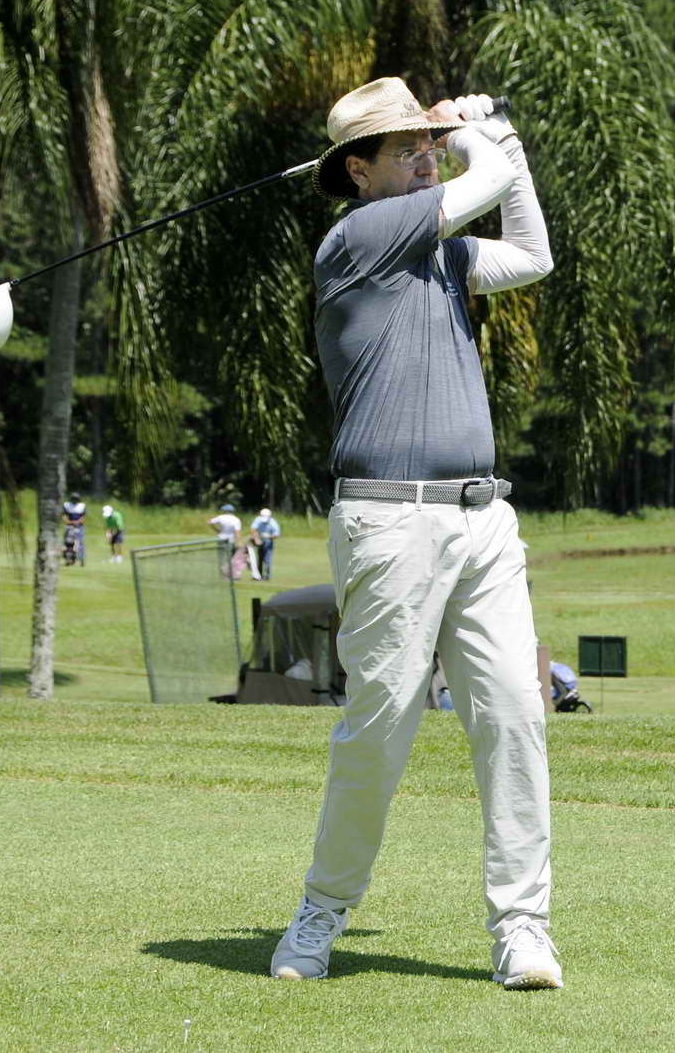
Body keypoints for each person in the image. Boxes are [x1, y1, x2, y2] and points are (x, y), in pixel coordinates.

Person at [269, 79, 556, 990]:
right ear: (359, 172)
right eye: (407, 149)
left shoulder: (440, 255)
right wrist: (478, 132)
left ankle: (523, 928)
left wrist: (501, 142)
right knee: (380, 726)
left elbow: (533, 254)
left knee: (514, 711)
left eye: (427, 146)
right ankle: (322, 911)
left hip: (484, 519)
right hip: (390, 520)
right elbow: (482, 182)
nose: (426, 158)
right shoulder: (359, 238)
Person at [251, 507, 281, 580]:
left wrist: (268, 536)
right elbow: (253, 529)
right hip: (259, 541)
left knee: (267, 559)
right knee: (259, 559)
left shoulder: (273, 523)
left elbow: (277, 535)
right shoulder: (258, 519)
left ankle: (267, 576)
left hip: (268, 542)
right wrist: (256, 538)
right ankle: (258, 575)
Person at [62, 492, 87, 567]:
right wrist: (70, 522)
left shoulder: (82, 506)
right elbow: (64, 517)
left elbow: (83, 517)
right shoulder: (67, 505)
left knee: (79, 543)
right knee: (68, 542)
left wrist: (78, 522)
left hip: (79, 526)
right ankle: (69, 559)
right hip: (69, 526)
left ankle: (81, 558)